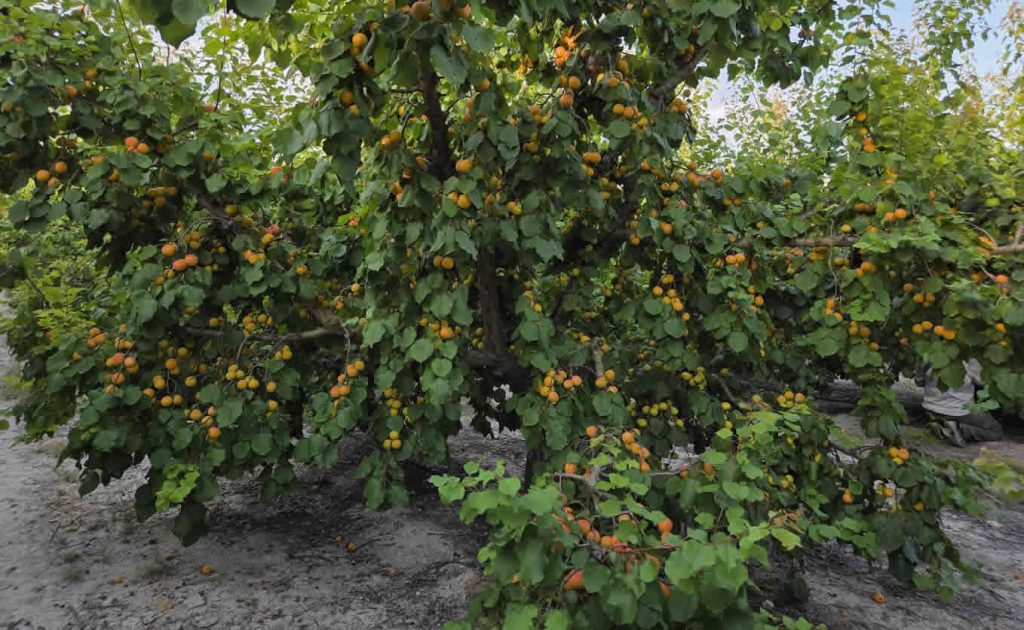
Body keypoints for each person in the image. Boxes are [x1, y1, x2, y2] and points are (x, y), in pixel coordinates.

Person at [917, 359, 1003, 446]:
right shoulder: (968, 360)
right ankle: (961, 430)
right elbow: (983, 382)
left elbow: (919, 382)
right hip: (962, 410)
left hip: (932, 408)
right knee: (995, 431)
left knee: (939, 416)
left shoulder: (927, 357)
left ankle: (940, 426)